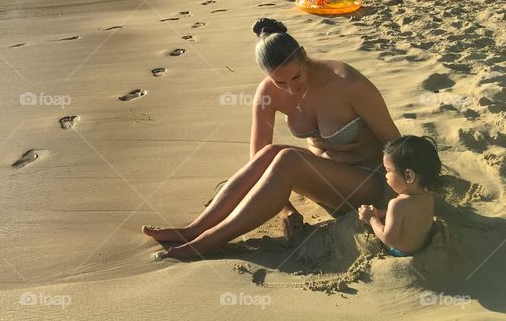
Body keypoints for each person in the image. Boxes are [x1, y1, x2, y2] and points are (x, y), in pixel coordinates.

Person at [143, 18, 400, 260]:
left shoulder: (346, 82)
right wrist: (286, 209)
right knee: (271, 153)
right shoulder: (267, 92)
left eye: (296, 77)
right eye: (280, 82)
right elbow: (258, 160)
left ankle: (210, 240)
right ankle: (194, 229)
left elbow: (395, 144)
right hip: (326, 186)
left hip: (369, 186)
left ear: (303, 53)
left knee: (287, 158)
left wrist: (408, 197)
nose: (291, 88)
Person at [358, 136, 440, 257]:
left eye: (388, 170)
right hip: (422, 245)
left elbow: (388, 239)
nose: (386, 175)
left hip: (401, 252)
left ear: (409, 176)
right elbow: (409, 214)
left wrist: (371, 219)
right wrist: (383, 213)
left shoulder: (397, 204)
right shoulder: (428, 196)